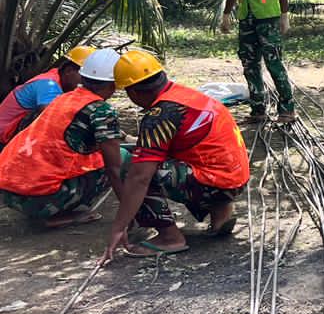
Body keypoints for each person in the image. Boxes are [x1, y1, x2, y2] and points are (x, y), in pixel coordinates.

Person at [101, 50, 250, 259]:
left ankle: (169, 237)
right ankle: (220, 212)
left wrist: (119, 226)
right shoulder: (184, 95)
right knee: (163, 158)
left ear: (133, 92)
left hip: (215, 182)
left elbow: (139, 177)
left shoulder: (160, 115)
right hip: (234, 178)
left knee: (130, 165)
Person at [0, 50, 127, 228]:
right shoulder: (102, 110)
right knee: (123, 158)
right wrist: (127, 212)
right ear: (115, 84)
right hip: (38, 198)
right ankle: (54, 215)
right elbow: (114, 167)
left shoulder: (63, 98)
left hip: (8, 189)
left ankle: (45, 206)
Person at [0, 44, 95, 147]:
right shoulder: (49, 85)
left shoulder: (55, 77)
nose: (87, 83)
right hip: (3, 139)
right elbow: (53, 119)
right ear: (69, 71)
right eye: (84, 77)